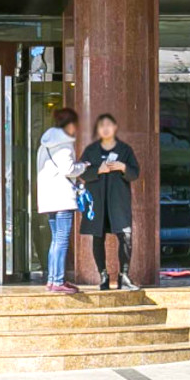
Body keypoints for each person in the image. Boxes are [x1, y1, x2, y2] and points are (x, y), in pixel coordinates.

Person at [76, 113, 141, 292]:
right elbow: (81, 172)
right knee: (98, 237)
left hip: (118, 201)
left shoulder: (125, 150)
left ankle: (124, 276)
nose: (105, 128)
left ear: (115, 127)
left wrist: (123, 167)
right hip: (97, 201)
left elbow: (135, 173)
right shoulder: (91, 150)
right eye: (101, 125)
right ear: (98, 130)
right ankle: (103, 276)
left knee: (125, 235)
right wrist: (99, 170)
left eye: (108, 125)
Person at [34, 108, 84, 293]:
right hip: (62, 197)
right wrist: (83, 166)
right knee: (61, 239)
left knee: (56, 240)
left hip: (49, 197)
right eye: (75, 124)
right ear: (69, 125)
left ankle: (52, 279)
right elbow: (68, 169)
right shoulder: (64, 144)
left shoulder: (45, 143)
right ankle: (58, 281)